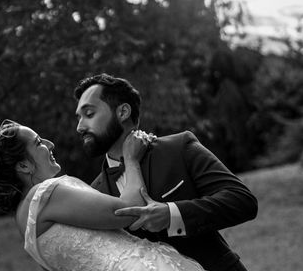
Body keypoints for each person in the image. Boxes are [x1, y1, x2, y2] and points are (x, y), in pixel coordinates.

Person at [74, 73, 258, 271]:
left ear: (123, 112)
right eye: (79, 117)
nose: (80, 127)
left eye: (89, 114)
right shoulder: (93, 193)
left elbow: (242, 201)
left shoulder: (179, 148)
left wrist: (171, 215)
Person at [0, 119, 208, 271]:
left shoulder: (26, 226)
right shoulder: (46, 193)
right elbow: (130, 210)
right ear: (24, 166)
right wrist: (130, 159)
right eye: (38, 142)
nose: (50, 144)